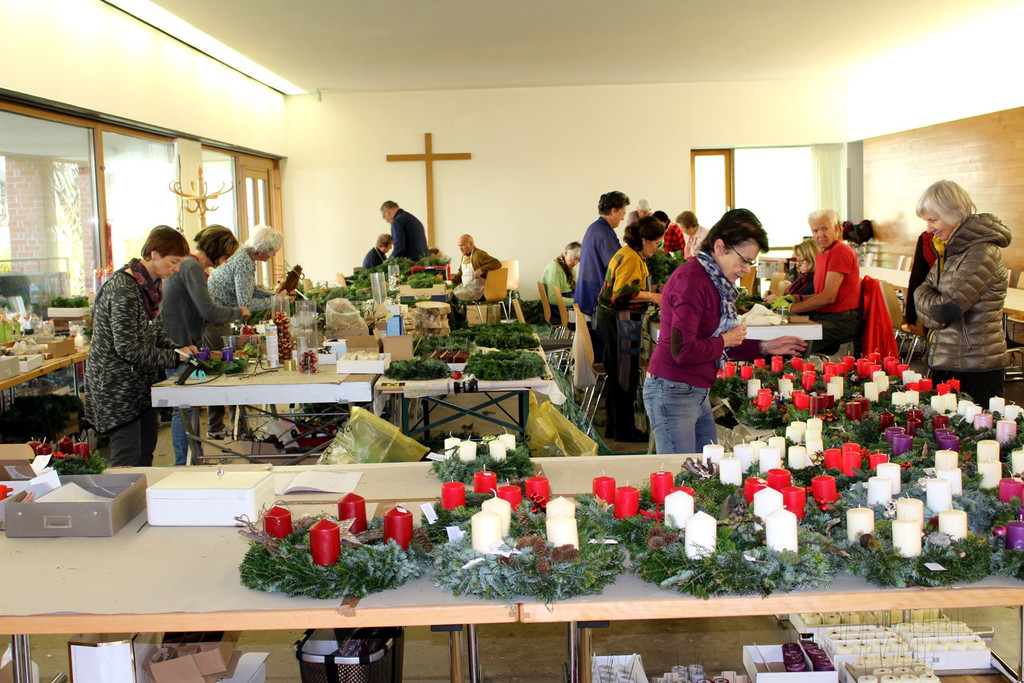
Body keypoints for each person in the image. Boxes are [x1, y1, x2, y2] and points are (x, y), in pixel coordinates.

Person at [643, 210, 806, 455]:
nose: (746, 269)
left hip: (695, 390)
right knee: (681, 477)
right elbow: (682, 350)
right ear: (720, 247)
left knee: (709, 468)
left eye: (750, 262)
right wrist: (724, 340)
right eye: (744, 260)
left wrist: (768, 346)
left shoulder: (715, 282)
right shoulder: (691, 281)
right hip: (673, 390)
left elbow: (725, 343)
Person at [85, 226, 197, 467]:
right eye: (173, 262)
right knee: (126, 459)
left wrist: (180, 349)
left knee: (145, 453)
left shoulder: (151, 287)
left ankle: (142, 504)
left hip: (139, 384)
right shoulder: (125, 289)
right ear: (154, 254)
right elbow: (126, 348)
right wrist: (173, 358)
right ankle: (120, 505)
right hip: (117, 387)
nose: (176, 269)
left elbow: (155, 333)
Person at [914, 180, 1011, 407]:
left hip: (974, 367)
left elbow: (944, 310)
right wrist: (928, 302)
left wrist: (927, 306)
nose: (928, 229)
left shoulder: (981, 252)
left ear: (953, 213)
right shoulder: (952, 249)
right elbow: (921, 290)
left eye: (933, 220)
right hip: (950, 359)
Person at [161, 226, 250, 466]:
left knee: (188, 407)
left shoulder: (191, 266)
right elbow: (207, 310)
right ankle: (186, 464)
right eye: (225, 255)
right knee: (185, 408)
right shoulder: (192, 268)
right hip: (180, 347)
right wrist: (238, 312)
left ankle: (193, 459)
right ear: (216, 249)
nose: (225, 261)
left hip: (185, 344)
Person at [207, 224, 285, 439]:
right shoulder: (243, 262)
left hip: (221, 318)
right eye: (272, 251)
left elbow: (250, 291)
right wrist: (275, 300)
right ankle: (220, 429)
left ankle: (237, 427)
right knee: (222, 374)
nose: (274, 254)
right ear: (261, 251)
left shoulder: (245, 257)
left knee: (229, 371)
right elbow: (246, 303)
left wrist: (271, 294)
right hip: (214, 321)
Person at [596, 216, 665, 443]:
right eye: (657, 243)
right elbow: (621, 293)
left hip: (611, 319)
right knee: (624, 376)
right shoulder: (632, 258)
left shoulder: (628, 253)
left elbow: (629, 285)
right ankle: (625, 430)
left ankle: (615, 427)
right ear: (645, 240)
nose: (658, 247)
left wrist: (652, 289)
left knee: (618, 375)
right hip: (621, 320)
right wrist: (654, 296)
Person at [788, 209, 861, 355]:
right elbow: (821, 295)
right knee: (783, 337)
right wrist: (797, 299)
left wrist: (792, 309)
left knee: (788, 344)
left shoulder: (840, 251)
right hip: (827, 317)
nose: (820, 235)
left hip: (840, 321)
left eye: (824, 229)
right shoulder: (822, 253)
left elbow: (828, 297)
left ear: (836, 228)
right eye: (815, 231)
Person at [575, 191, 629, 319]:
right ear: (614, 210)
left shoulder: (594, 228)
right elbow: (618, 266)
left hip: (587, 295)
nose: (622, 218)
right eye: (623, 213)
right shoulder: (604, 234)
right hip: (596, 299)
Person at [765, 237, 818, 302]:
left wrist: (778, 300)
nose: (798, 265)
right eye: (797, 260)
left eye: (801, 261)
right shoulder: (803, 279)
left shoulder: (814, 283)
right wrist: (777, 297)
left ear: (812, 260)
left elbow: (801, 306)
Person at [541, 241, 581, 324]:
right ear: (566, 253)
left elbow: (578, 288)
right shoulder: (555, 269)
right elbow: (553, 299)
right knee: (593, 311)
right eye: (574, 258)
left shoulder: (569, 267)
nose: (575, 263)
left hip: (568, 301)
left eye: (579, 260)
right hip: (559, 307)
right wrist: (577, 301)